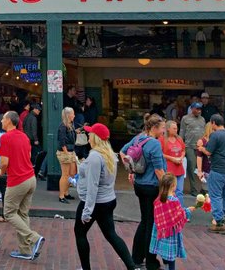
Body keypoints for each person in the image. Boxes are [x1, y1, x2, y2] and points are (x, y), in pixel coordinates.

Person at [74, 123, 135, 270]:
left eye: (90, 134)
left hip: (95, 202)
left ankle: (85, 268)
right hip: (108, 200)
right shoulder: (110, 154)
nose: (88, 137)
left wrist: (87, 211)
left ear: (95, 137)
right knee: (111, 234)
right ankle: (132, 267)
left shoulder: (95, 156)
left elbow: (92, 185)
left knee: (80, 233)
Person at [0, 111, 45, 261]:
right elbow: (28, 156)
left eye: (3, 119)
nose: (1, 121)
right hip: (30, 178)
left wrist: (1, 171)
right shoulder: (24, 136)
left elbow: (4, 162)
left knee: (9, 213)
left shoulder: (5, 137)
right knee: (23, 214)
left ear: (10, 121)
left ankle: (34, 238)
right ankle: (25, 250)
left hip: (17, 180)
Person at [120, 113, 166, 270]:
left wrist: (131, 170)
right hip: (152, 186)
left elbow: (123, 152)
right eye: (162, 128)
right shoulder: (155, 144)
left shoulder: (139, 138)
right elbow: (159, 170)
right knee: (151, 224)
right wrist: (168, 190)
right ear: (154, 127)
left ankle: (137, 256)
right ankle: (151, 261)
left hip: (139, 185)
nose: (163, 132)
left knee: (145, 221)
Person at [149, 173, 194, 270]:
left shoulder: (158, 200)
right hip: (171, 234)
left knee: (165, 257)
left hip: (160, 232)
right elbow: (179, 216)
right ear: (173, 186)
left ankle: (166, 268)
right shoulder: (174, 201)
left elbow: (158, 217)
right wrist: (188, 211)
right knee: (171, 259)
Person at [202, 114, 225, 234]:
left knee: (216, 196)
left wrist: (201, 148)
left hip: (218, 169)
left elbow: (208, 151)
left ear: (213, 123)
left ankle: (219, 222)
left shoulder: (215, 135)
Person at [178, 102, 205, 196]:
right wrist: (181, 146)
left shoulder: (202, 119)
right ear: (192, 108)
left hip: (200, 147)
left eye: (200, 109)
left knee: (202, 168)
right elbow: (182, 132)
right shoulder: (185, 118)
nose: (198, 110)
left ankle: (202, 188)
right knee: (191, 168)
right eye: (197, 109)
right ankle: (193, 189)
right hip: (189, 146)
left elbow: (204, 133)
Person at [161, 120, 186, 204]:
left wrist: (181, 157)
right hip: (169, 170)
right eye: (174, 128)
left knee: (179, 192)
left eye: (176, 128)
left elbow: (183, 150)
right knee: (168, 192)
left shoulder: (179, 139)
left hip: (179, 169)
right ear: (168, 129)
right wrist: (172, 158)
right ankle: (168, 210)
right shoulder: (162, 139)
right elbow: (160, 154)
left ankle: (180, 211)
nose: (176, 130)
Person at [57, 106, 77, 203]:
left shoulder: (70, 125)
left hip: (71, 151)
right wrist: (66, 153)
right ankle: (61, 196)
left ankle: (66, 192)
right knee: (65, 174)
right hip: (65, 152)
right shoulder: (63, 126)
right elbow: (62, 141)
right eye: (73, 113)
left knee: (72, 173)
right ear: (68, 115)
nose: (74, 115)